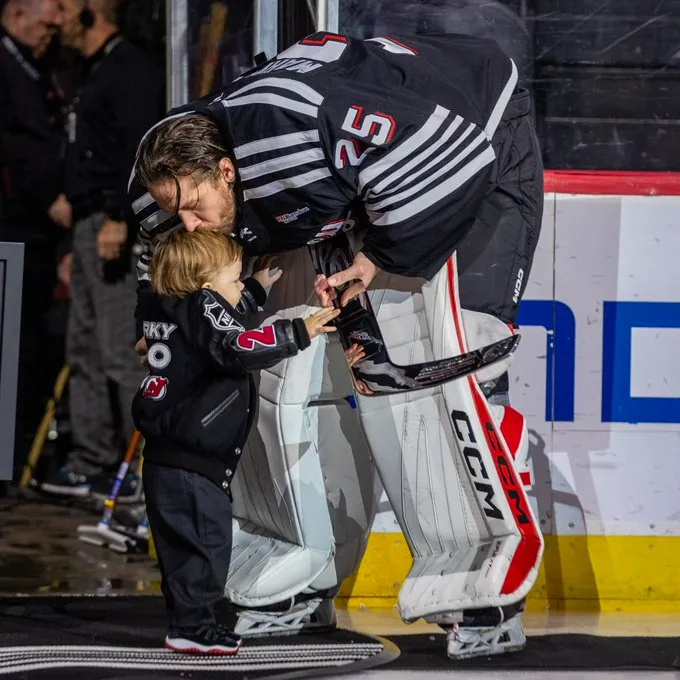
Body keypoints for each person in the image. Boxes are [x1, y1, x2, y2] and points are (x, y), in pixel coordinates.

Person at [128, 31, 544, 659]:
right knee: (267, 358)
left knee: (434, 357)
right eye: (172, 209)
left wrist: (377, 260)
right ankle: (293, 564)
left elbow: (450, 155)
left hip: (467, 132)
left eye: (193, 206)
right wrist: (153, 326)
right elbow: (161, 264)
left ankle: (479, 579)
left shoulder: (297, 132)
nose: (184, 222)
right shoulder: (167, 184)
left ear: (226, 170)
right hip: (343, 178)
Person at [132, 228, 340, 654]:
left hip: (162, 460)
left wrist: (255, 290)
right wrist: (297, 331)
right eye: (232, 280)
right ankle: (195, 628)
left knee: (180, 550)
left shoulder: (165, 304)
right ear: (206, 287)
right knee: (208, 548)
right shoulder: (203, 306)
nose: (237, 287)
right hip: (195, 464)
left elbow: (212, 322)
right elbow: (235, 343)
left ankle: (186, 622)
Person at [41, 0, 164, 498]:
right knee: (85, 347)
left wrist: (118, 213)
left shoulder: (129, 66)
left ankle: (139, 470)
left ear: (90, 8)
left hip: (114, 221)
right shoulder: (88, 70)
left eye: (63, 6)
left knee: (119, 348)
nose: (54, 18)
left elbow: (139, 146)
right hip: (88, 223)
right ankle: (91, 461)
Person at [0, 0, 71, 480]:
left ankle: (10, 458)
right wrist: (50, 195)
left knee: (25, 351)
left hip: (32, 233)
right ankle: (4, 464)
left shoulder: (34, 65)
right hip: (12, 231)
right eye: (47, 20)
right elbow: (20, 145)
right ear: (18, 13)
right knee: (11, 353)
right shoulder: (5, 68)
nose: (55, 28)